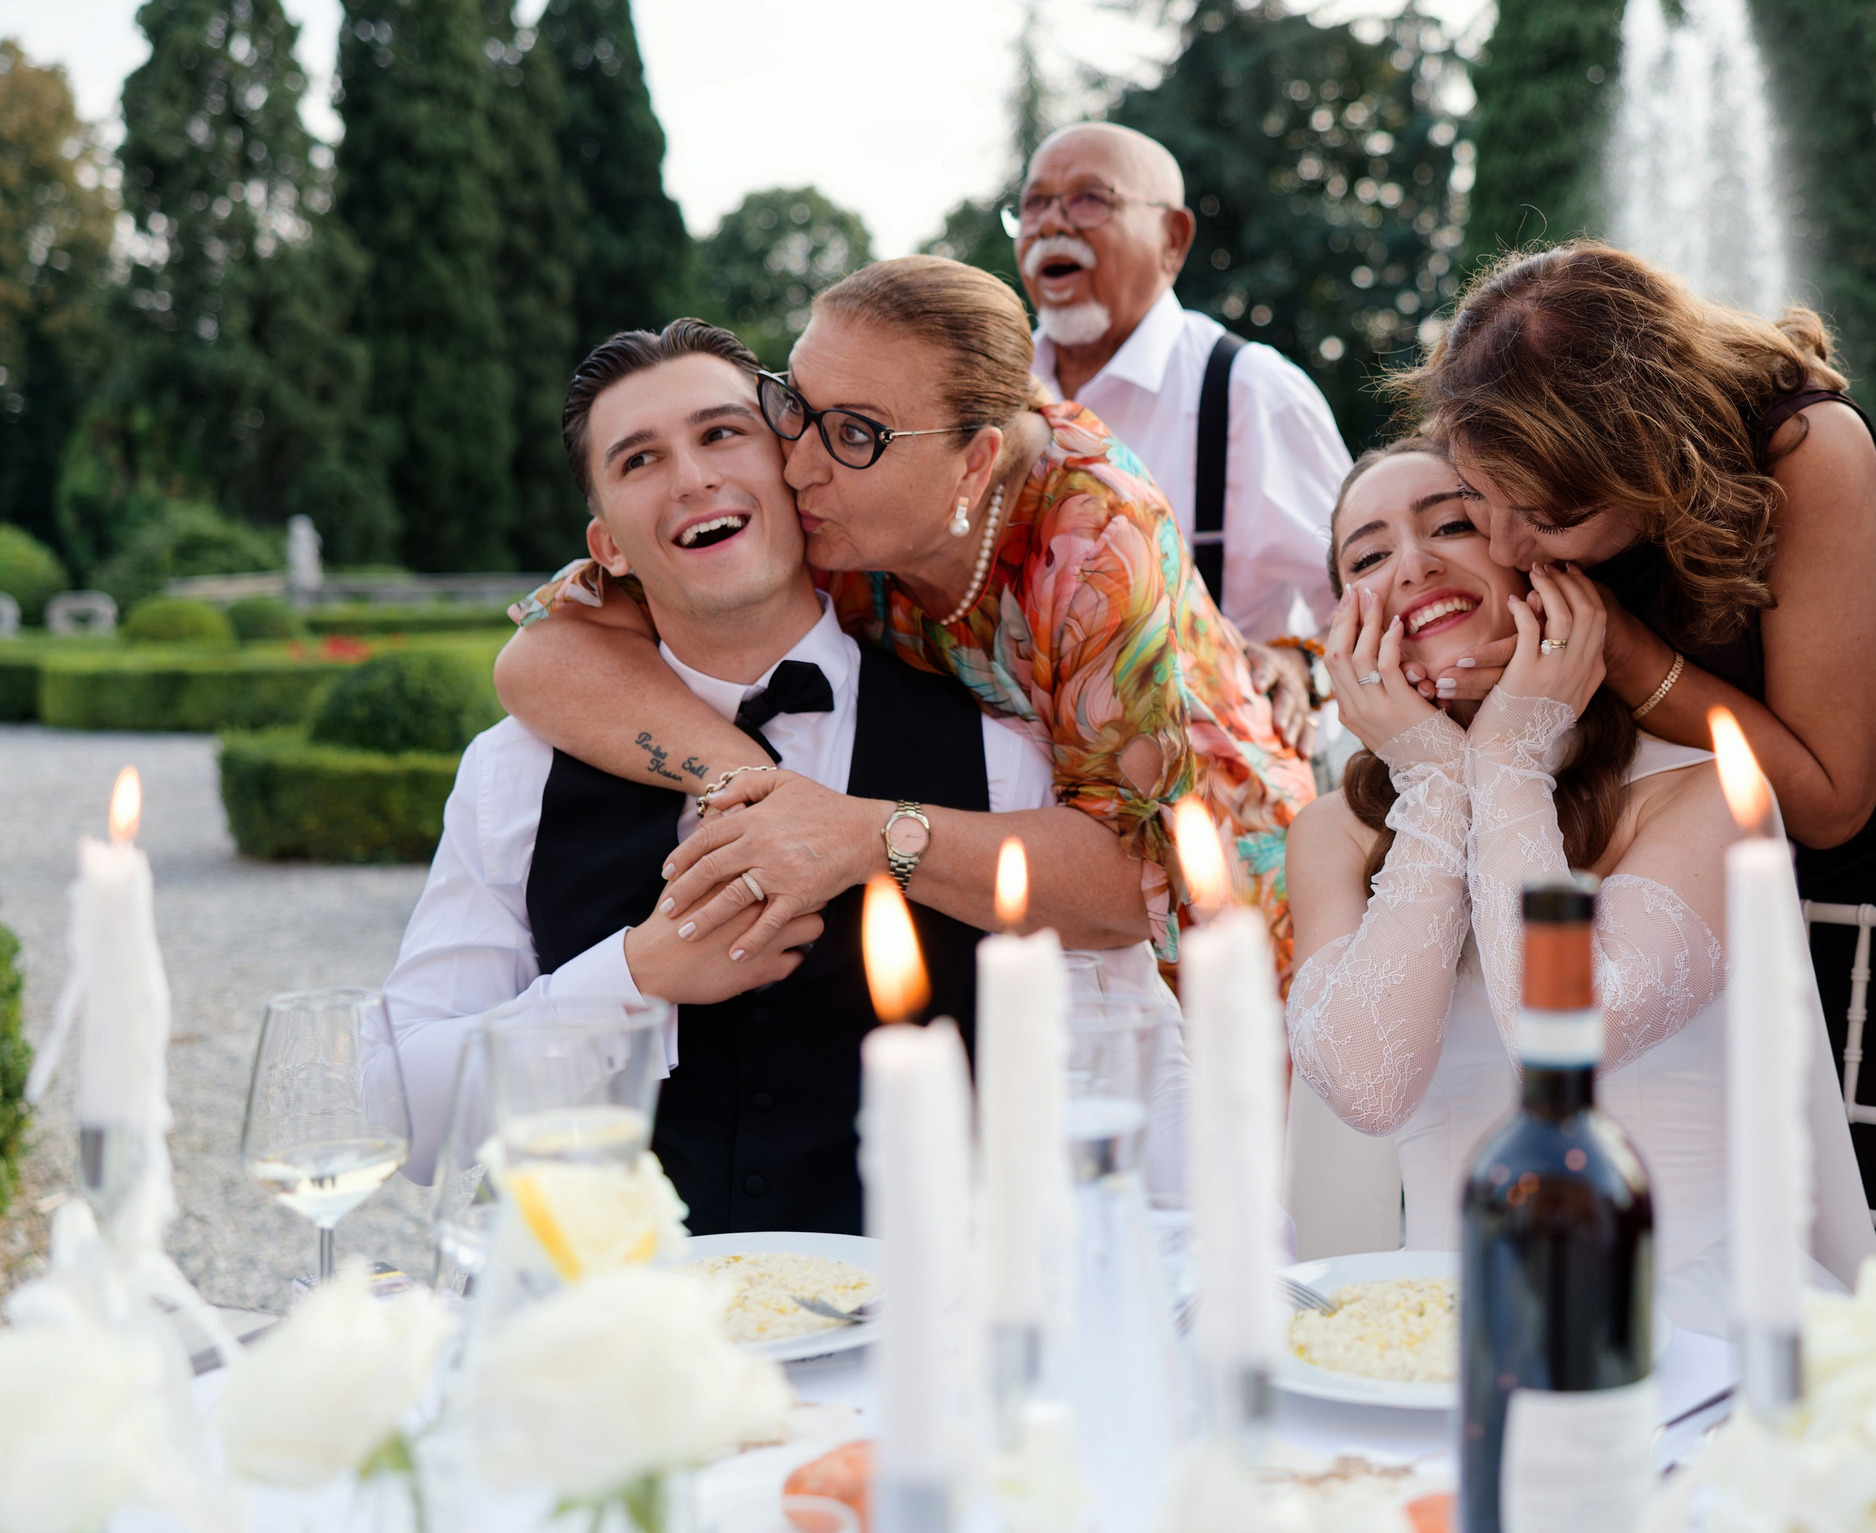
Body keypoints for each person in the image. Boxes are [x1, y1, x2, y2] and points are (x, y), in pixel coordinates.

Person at [389, 321, 1187, 1231]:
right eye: (639, 459)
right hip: (616, 1338)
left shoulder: (999, 759)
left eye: (723, 433)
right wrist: (633, 977)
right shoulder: (514, 771)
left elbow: (1139, 1078)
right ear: (606, 546)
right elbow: (408, 1110)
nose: (692, 477)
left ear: (798, 478)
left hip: (903, 1337)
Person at [494, 257, 1315, 977]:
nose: (798, 462)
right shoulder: (819, 497)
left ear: (977, 461)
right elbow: (540, 657)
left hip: (1233, 924)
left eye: (856, 434)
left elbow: (1136, 881)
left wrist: (858, 833)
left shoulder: (1096, 542)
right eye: (793, 403)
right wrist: (758, 784)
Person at [1413, 243, 1876, 1252]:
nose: (1507, 546)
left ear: (1655, 463)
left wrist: (1620, 651)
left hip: (1836, 947)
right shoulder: (1523, 476)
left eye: (1550, 518)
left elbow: (1832, 799)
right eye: (1480, 494)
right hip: (1633, 936)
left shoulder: (1802, 450)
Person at [1283, 438, 1873, 1331]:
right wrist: (1439, 782)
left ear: (1541, 560)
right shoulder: (1329, 832)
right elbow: (1368, 1088)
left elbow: (1562, 1037)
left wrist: (1509, 756)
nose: (1413, 563)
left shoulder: (1707, 790)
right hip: (1439, 1326)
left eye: (1452, 522)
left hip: (1688, 1315)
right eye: (1368, 555)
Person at [1015, 122, 1354, 752]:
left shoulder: (1251, 392)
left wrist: (1302, 668)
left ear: (1172, 240)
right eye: (1034, 204)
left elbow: (1368, 604)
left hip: (1210, 798)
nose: (1050, 226)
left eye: (1090, 199)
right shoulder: (996, 396)